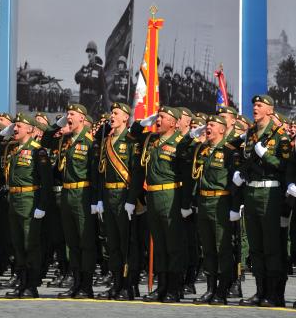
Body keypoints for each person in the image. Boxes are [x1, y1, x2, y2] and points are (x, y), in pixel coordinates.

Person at [231, 94, 291, 307]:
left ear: (269, 110)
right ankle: (259, 291)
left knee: (271, 245)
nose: (254, 108)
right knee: (256, 246)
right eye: (253, 105)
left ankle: (274, 294)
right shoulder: (249, 134)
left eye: (259, 105)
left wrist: (265, 154)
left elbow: (283, 166)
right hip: (251, 192)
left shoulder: (280, 135)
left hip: (270, 194)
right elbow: (245, 160)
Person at [131, 106, 191, 302]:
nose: (158, 120)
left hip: (171, 195)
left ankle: (174, 288)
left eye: (162, 117)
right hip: (153, 197)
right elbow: (133, 133)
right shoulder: (151, 140)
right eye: (157, 117)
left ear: (173, 123)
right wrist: (142, 122)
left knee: (173, 244)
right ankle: (161, 286)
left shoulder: (180, 143)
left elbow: (187, 175)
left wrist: (185, 203)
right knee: (158, 245)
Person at [43, 103, 99, 299]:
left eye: (72, 114)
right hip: (67, 194)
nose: (69, 117)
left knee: (85, 242)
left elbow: (95, 173)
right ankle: (75, 283)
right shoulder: (65, 140)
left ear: (82, 119)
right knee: (72, 243)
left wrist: (95, 200)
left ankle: (86, 286)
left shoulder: (90, 141)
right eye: (67, 114)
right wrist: (57, 124)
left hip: (83, 194)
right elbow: (46, 139)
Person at [188, 115, 241, 305]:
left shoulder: (229, 151)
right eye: (207, 124)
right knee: (208, 248)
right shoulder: (202, 150)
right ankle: (210, 289)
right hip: (203, 202)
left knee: (222, 248)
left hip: (221, 202)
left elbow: (236, 183)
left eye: (212, 125)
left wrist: (235, 207)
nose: (207, 127)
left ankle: (222, 290)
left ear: (222, 129)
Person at [1, 113, 52, 298]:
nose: (15, 129)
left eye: (19, 126)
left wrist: (42, 206)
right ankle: (21, 282)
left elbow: (46, 181)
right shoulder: (14, 150)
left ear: (30, 129)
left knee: (31, 244)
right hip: (14, 200)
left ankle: (31, 285)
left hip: (29, 200)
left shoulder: (38, 151)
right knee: (18, 244)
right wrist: (2, 133)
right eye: (14, 126)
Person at [97, 103, 143, 300]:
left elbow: (137, 172)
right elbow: (101, 172)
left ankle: (129, 284)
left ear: (126, 118)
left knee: (128, 244)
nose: (111, 116)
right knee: (113, 243)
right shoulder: (106, 140)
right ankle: (116, 282)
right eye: (111, 113)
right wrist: (99, 199)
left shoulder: (131, 140)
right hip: (109, 196)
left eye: (116, 113)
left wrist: (132, 200)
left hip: (124, 196)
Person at [75, 41, 108, 121]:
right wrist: (86, 78)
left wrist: (105, 108)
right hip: (84, 100)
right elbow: (77, 77)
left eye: (91, 52)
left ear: (95, 53)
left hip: (94, 102)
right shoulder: (84, 68)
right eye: (88, 52)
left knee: (91, 123)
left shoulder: (100, 69)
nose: (89, 54)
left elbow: (104, 90)